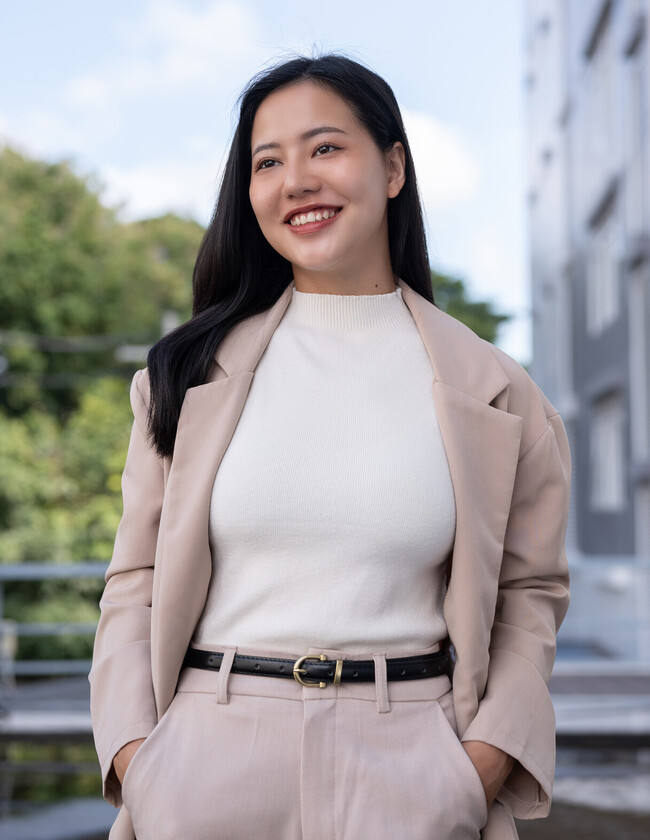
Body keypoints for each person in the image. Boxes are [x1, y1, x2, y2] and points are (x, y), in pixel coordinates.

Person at [89, 53, 571, 840]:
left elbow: (531, 596)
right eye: (268, 161)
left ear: (391, 167)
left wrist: (475, 766)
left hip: (415, 763)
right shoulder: (182, 377)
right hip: (205, 762)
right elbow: (132, 585)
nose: (296, 180)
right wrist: (142, 760)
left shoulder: (498, 391)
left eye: (324, 148)